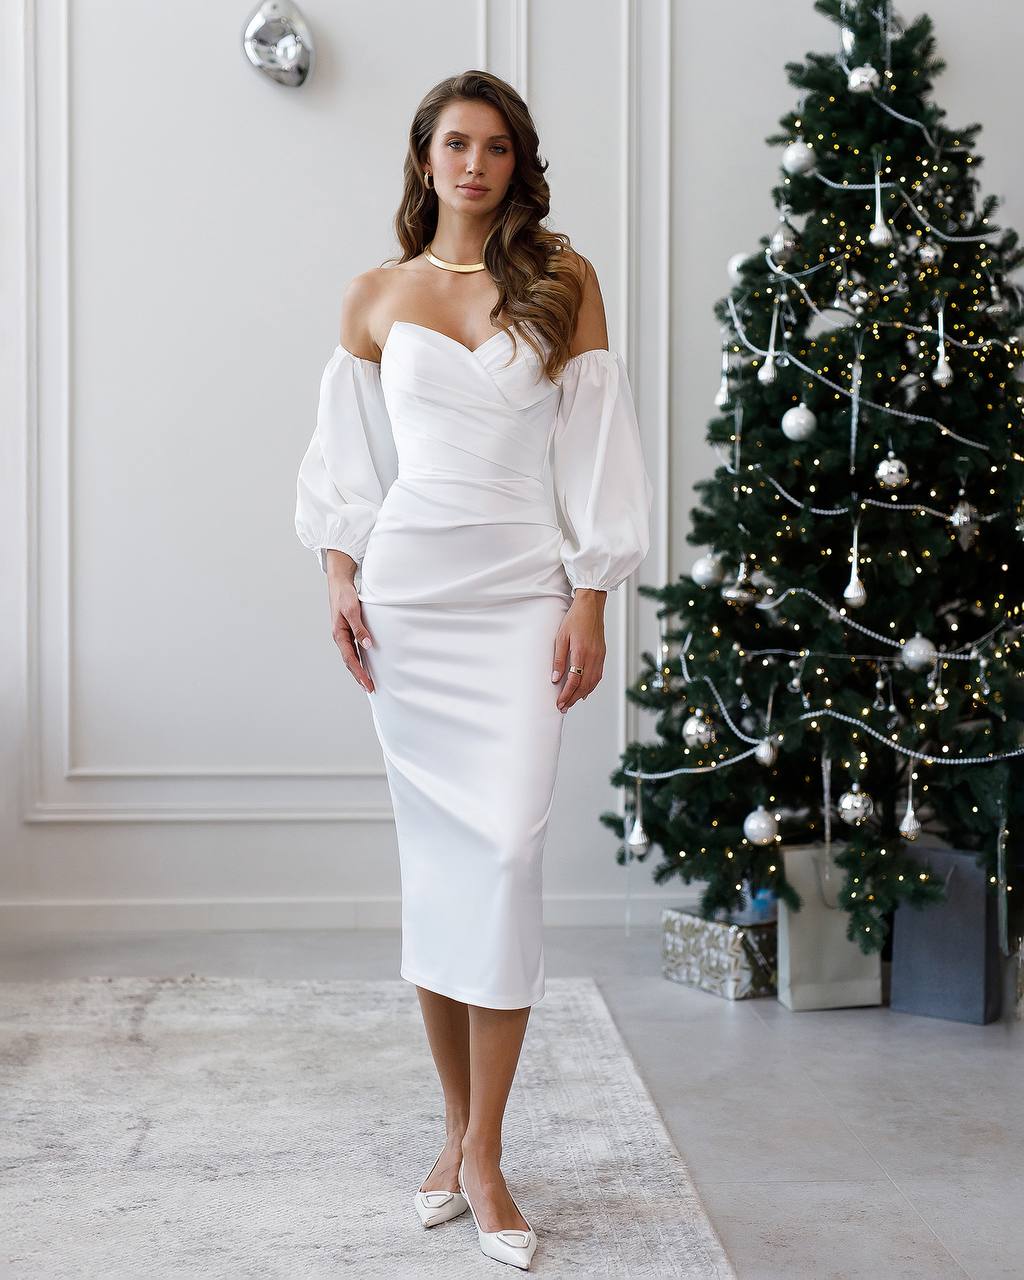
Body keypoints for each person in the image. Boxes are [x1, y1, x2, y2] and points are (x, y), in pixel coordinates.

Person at [294, 70, 653, 1271]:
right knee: (442, 872)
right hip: (407, 604)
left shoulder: (562, 280)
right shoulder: (375, 295)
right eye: (455, 143)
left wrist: (592, 594)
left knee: (501, 853)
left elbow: (601, 447)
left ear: (516, 162)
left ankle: (486, 1152)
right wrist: (341, 576)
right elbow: (341, 466)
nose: (474, 163)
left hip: (516, 601)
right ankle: (455, 1134)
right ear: (423, 156)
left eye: (496, 146)